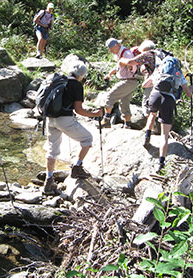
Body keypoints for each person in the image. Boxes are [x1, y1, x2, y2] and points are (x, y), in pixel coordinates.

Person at [43, 61, 103, 195]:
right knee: (87, 138)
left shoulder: (58, 80)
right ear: (81, 75)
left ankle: (48, 180)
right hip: (65, 120)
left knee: (52, 150)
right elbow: (79, 110)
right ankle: (77, 167)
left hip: (50, 119)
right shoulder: (76, 84)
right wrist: (95, 114)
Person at [142, 63, 193, 173]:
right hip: (168, 99)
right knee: (164, 135)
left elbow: (145, 85)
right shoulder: (179, 74)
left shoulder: (159, 70)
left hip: (155, 94)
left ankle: (146, 137)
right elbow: (188, 94)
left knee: (152, 114)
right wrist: (191, 88)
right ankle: (161, 163)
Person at [100, 38, 138, 128]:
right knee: (124, 102)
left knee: (110, 96)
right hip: (130, 82)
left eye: (111, 48)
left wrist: (128, 66)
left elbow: (133, 66)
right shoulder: (120, 54)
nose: (110, 51)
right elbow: (117, 66)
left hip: (128, 81)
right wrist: (109, 74)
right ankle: (127, 124)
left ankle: (106, 120)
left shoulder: (126, 53)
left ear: (117, 45)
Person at [122, 39, 157, 117]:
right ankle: (155, 127)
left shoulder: (147, 55)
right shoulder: (158, 54)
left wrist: (122, 60)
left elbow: (131, 62)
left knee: (146, 104)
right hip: (163, 82)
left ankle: (150, 127)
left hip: (152, 82)